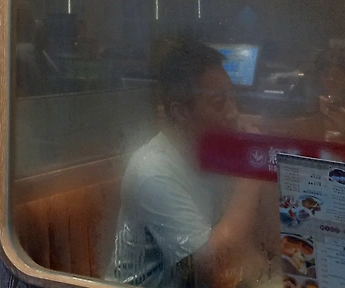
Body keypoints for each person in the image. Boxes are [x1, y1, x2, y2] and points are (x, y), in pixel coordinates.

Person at [111, 38, 270, 288]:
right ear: (180, 112)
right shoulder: (152, 171)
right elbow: (217, 273)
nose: (233, 112)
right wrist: (251, 173)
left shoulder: (213, 153)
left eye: (233, 99)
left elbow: (253, 245)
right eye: (219, 103)